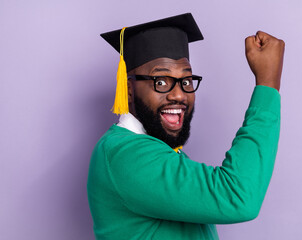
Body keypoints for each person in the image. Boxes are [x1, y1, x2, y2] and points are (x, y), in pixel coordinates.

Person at [87, 13, 285, 240]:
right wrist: (268, 84)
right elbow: (237, 195)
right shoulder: (125, 154)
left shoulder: (159, 148)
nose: (179, 94)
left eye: (186, 81)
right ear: (129, 91)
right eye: (160, 82)